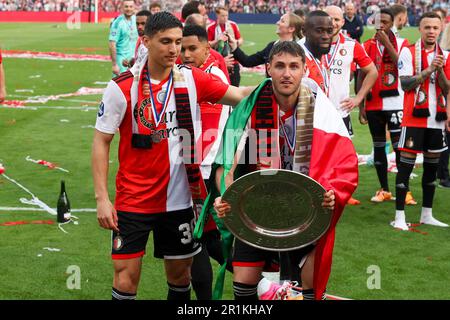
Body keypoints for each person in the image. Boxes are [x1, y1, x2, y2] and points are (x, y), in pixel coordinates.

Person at [92, 12, 253, 300]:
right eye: (165, 41)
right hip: (133, 201)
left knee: (180, 276)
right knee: (125, 279)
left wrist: (275, 85)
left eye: (177, 42)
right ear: (146, 41)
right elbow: (101, 140)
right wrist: (102, 198)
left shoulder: (192, 79)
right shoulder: (121, 87)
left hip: (179, 200)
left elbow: (239, 94)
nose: (174, 49)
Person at [205, 41, 358, 300]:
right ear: (268, 69)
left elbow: (343, 161)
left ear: (303, 71)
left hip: (304, 208)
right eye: (279, 66)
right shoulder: (250, 106)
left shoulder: (321, 108)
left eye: (293, 66)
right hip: (256, 205)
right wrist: (226, 195)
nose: (286, 73)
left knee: (309, 281)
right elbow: (227, 161)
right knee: (243, 282)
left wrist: (333, 190)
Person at [180, 24, 231, 300]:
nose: (185, 54)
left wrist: (190, 173)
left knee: (198, 240)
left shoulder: (211, 77)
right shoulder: (189, 73)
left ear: (207, 48)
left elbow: (209, 133)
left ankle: (261, 280)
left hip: (202, 172)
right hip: (198, 169)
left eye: (192, 49)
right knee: (203, 239)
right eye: (182, 48)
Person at [394, 12, 450, 230]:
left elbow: (446, 88)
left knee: (431, 170)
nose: (431, 32)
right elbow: (406, 84)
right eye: (427, 27)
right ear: (420, 29)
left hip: (436, 119)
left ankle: (427, 214)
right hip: (413, 119)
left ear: (440, 30)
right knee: (405, 169)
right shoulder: (408, 53)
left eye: (435, 28)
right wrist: (429, 69)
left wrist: (439, 69)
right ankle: (399, 216)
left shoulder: (444, 55)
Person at [360, 9, 416, 205]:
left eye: (385, 21)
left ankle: (405, 190)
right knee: (378, 148)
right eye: (378, 21)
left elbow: (403, 67)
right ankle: (384, 189)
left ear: (392, 24)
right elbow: (361, 75)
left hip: (396, 104)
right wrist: (361, 106)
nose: (381, 24)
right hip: (374, 104)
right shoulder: (366, 45)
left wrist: (386, 43)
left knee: (399, 149)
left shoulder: (403, 44)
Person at [324, 5, 378, 206]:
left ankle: (341, 192)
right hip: (313, 111)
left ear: (343, 22)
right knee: (315, 154)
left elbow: (372, 71)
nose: (333, 23)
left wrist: (358, 98)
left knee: (341, 156)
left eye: (337, 20)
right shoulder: (307, 44)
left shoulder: (352, 45)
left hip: (340, 111)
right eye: (329, 19)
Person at [228, 13, 303, 73]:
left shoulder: (298, 50)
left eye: (282, 21)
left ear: (291, 29)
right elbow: (248, 61)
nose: (277, 23)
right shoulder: (272, 46)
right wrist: (234, 46)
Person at [207, 6, 244, 86]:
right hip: (218, 63)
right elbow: (207, 45)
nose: (225, 18)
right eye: (222, 16)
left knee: (235, 88)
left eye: (226, 15)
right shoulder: (210, 27)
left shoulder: (233, 25)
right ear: (217, 15)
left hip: (233, 61)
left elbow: (241, 40)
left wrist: (234, 42)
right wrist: (217, 40)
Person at [108, 0, 138, 76]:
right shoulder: (117, 23)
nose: (129, 9)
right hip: (121, 60)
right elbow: (112, 44)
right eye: (126, 6)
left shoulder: (136, 19)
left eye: (131, 6)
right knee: (120, 85)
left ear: (134, 8)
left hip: (134, 60)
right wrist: (114, 64)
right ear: (122, 8)